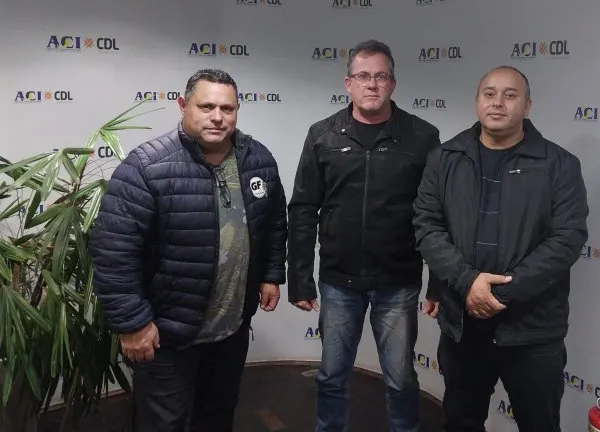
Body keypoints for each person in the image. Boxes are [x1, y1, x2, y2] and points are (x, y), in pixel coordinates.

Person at [88, 68, 288, 432]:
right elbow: (114, 251)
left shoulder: (257, 159)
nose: (218, 117)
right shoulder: (147, 166)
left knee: (217, 416)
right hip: (167, 335)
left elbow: (273, 222)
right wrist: (133, 324)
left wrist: (271, 274)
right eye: (206, 106)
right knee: (164, 424)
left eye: (227, 108)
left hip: (230, 331)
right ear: (183, 106)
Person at [413, 65, 589, 432]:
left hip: (532, 331)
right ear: (477, 101)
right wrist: (468, 282)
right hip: (463, 327)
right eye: (489, 94)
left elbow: (566, 240)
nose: (498, 103)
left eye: (510, 95)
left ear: (527, 105)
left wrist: (498, 292)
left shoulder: (559, 165)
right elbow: (427, 226)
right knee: (461, 422)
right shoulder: (445, 158)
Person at [288, 40, 440, 432]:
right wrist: (300, 279)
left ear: (393, 83)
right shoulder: (322, 135)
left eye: (380, 76)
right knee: (332, 377)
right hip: (338, 281)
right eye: (363, 76)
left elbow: (437, 215)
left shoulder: (422, 137)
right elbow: (303, 209)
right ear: (348, 83)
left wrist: (439, 282)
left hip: (398, 282)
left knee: (401, 381)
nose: (372, 84)